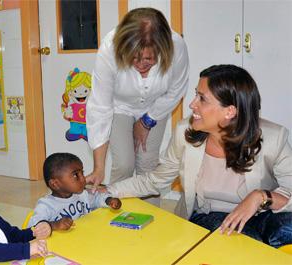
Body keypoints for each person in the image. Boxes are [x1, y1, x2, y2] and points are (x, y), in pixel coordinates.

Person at [102, 64, 292, 248]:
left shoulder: (274, 138)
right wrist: (107, 190)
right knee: (244, 242)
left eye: (202, 99)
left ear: (230, 111)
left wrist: (260, 197)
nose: (192, 104)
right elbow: (154, 180)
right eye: (196, 95)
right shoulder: (184, 132)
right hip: (208, 216)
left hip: (261, 215)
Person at [86, 7, 189, 206]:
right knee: (124, 163)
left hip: (156, 104)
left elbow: (175, 91)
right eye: (133, 58)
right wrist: (98, 168)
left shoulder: (176, 47)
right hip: (119, 106)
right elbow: (100, 107)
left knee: (148, 165)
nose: (140, 64)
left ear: (162, 51)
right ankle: (115, 215)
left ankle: (150, 220)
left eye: (148, 59)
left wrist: (148, 120)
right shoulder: (109, 48)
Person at [27, 152, 121, 230]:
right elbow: (32, 227)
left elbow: (96, 198)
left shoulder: (82, 195)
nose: (83, 178)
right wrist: (56, 225)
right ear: (55, 184)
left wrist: (109, 200)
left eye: (82, 173)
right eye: (76, 175)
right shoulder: (46, 205)